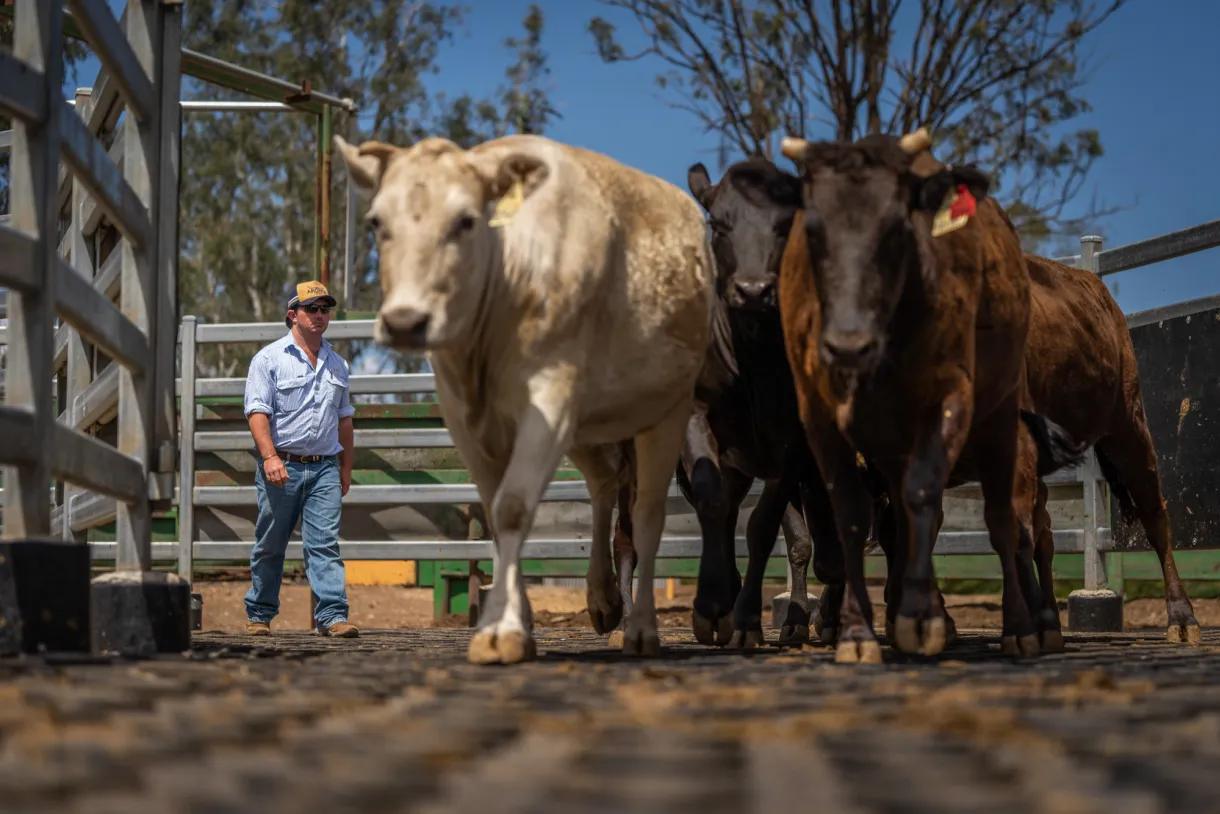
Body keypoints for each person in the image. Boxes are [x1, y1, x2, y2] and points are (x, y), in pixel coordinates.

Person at [242, 281, 358, 638]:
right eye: (313, 309)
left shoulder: (338, 364)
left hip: (324, 466)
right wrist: (270, 457)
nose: (320, 315)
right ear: (293, 315)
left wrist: (346, 467)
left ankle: (333, 616)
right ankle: (259, 615)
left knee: (324, 543)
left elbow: (344, 420)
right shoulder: (268, 359)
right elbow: (256, 411)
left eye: (325, 309)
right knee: (271, 543)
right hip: (282, 465)